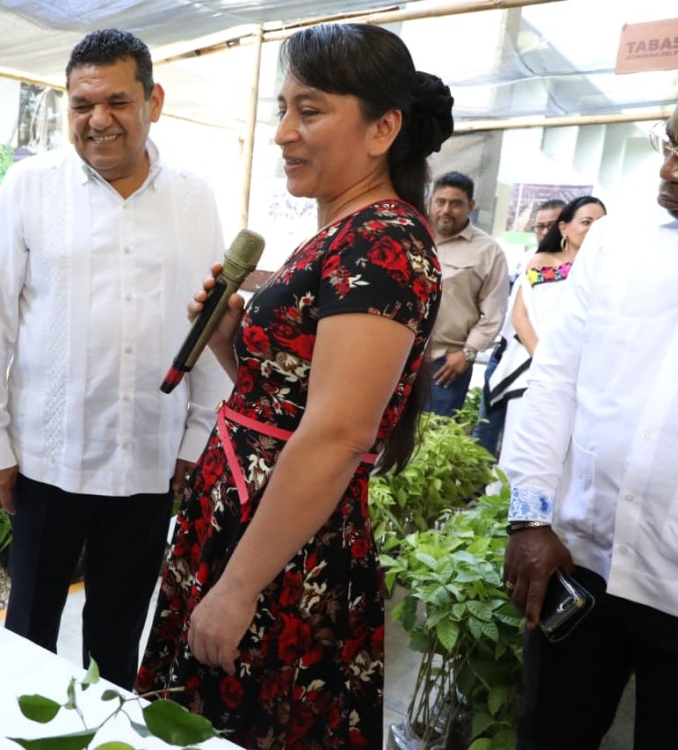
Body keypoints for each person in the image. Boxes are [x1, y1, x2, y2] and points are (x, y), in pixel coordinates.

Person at [136, 23, 452, 746]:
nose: (283, 133)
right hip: (252, 527)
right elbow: (285, 402)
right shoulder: (346, 231)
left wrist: (238, 587)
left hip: (282, 554)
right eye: (281, 109)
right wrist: (228, 337)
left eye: (308, 111)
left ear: (383, 129)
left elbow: (338, 434)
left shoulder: (383, 241)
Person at [0, 29, 230, 690]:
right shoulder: (29, 186)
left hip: (147, 459)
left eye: (116, 101)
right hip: (46, 458)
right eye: (81, 104)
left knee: (117, 636)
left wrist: (196, 437)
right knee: (28, 627)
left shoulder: (194, 196)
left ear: (153, 102)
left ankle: (107, 728)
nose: (98, 119)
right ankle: (11, 728)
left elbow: (209, 322)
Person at [501, 89, 678, 749]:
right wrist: (529, 518)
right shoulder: (617, 239)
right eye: (670, 143)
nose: (669, 168)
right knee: (548, 735)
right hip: (581, 562)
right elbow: (554, 381)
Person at [479, 195, 605, 461]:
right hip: (532, 370)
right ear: (564, 228)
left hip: (583, 378)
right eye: (586, 222)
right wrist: (545, 362)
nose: (594, 228)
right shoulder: (541, 262)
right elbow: (521, 316)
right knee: (522, 450)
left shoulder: (611, 271)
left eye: (601, 223)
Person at [472, 197, 568, 454]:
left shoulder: (576, 267)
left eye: (551, 225)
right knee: (485, 432)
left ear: (564, 226)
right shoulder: (529, 260)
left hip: (541, 363)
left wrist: (542, 360)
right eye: (540, 226)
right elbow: (517, 316)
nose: (545, 232)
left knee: (522, 439)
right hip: (507, 355)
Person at [426, 170, 509, 417]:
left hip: (446, 366)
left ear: (470, 206)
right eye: (440, 202)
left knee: (435, 434)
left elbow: (494, 313)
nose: (446, 210)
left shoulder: (488, 252)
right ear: (430, 201)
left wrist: (468, 353)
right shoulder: (413, 236)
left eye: (456, 204)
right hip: (399, 358)